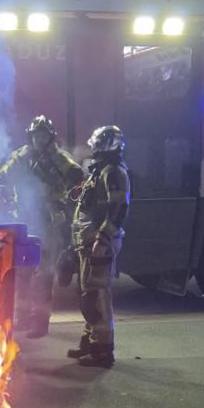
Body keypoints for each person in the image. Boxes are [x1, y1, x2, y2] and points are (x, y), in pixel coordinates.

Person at [0, 115, 84, 338]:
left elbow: (76, 174)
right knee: (23, 272)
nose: (39, 139)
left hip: (49, 222)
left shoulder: (58, 157)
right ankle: (22, 317)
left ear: (50, 137)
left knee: (43, 274)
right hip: (25, 220)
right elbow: (3, 175)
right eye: (36, 135)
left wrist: (61, 179)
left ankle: (40, 321)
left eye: (44, 135)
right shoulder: (22, 155)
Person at [67, 125, 130, 368]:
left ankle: (103, 351)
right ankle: (90, 342)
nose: (92, 147)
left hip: (99, 242)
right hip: (89, 241)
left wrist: (102, 240)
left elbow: (118, 209)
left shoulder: (114, 172)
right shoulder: (100, 171)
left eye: (97, 143)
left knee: (98, 295)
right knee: (88, 294)